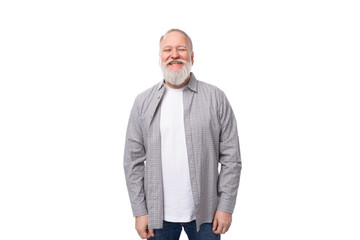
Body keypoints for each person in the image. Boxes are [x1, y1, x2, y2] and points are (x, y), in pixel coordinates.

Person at [123, 29, 242, 240]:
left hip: (207, 214)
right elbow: (132, 161)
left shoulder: (215, 98)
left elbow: (231, 158)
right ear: (160, 58)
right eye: (167, 50)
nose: (174, 55)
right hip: (157, 216)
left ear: (192, 57)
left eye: (181, 49)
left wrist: (226, 206)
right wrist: (140, 211)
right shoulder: (143, 102)